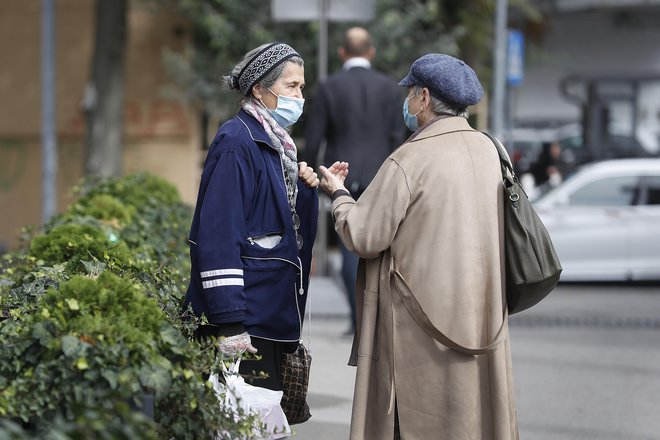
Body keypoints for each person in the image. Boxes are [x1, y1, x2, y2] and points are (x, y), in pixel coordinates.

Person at [318, 54, 518, 439]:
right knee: (471, 418)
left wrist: (339, 195)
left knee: (415, 421)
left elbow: (364, 236)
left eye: (410, 94)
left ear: (424, 98)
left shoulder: (410, 158)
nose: (407, 103)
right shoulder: (491, 151)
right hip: (482, 316)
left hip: (421, 328)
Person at [184, 42, 320, 395]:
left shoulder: (275, 143)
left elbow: (278, 225)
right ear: (260, 89)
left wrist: (305, 190)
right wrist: (230, 324)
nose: (300, 96)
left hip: (268, 314)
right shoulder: (237, 141)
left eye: (302, 87)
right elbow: (218, 234)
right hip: (247, 322)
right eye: (292, 87)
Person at [304, 27, 405, 335]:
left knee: (351, 246)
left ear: (342, 53)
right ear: (371, 53)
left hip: (342, 178)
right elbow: (398, 136)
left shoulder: (329, 87)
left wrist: (311, 174)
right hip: (382, 178)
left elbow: (313, 138)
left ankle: (358, 321)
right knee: (384, 247)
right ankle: (380, 320)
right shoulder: (389, 87)